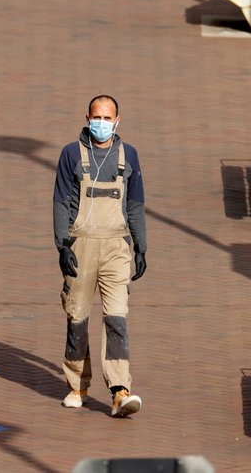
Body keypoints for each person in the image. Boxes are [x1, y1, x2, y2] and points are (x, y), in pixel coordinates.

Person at [52, 94, 147, 417]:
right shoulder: (71, 154)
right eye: (97, 117)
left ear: (117, 121)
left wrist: (141, 245)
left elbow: (135, 204)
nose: (102, 124)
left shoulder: (128, 155)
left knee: (116, 317)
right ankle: (77, 385)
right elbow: (61, 202)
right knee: (77, 318)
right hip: (80, 245)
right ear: (87, 117)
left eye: (108, 118)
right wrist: (62, 245)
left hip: (116, 247)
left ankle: (120, 390)